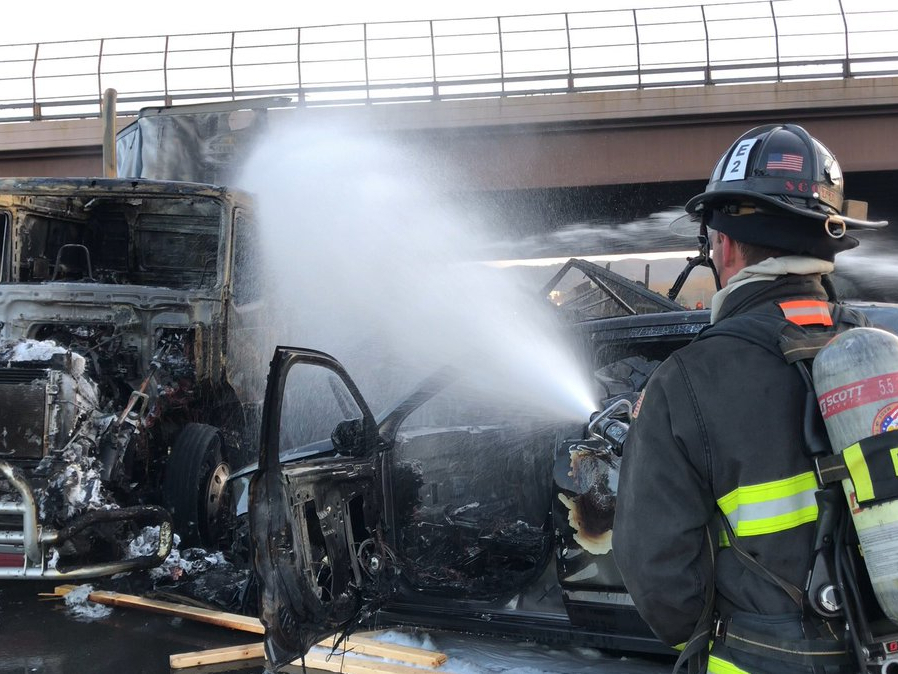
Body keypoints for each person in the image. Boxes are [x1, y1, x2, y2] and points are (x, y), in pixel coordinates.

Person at [612, 123, 888, 674]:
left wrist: (731, 639)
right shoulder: (883, 356)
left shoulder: (686, 381)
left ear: (726, 244)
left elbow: (658, 573)